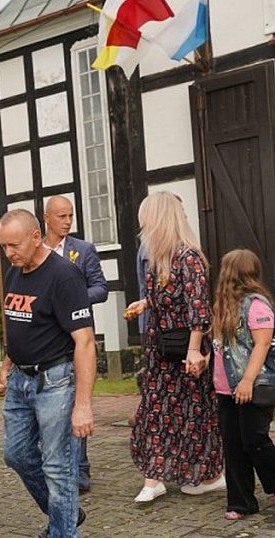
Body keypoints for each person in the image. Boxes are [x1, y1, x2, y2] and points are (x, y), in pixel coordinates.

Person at [0, 209, 95, 538]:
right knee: (15, 455)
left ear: (36, 237)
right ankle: (65, 515)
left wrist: (83, 405)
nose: (9, 253)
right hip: (19, 380)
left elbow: (85, 342)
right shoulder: (14, 271)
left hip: (56, 382)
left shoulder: (64, 275)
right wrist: (6, 366)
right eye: (4, 246)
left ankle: (62, 530)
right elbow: (18, 324)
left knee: (58, 467)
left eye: (14, 245)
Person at [125, 191, 224, 503]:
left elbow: (198, 309)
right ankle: (153, 479)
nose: (143, 228)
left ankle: (210, 476)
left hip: (183, 350)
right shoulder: (160, 258)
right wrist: (144, 303)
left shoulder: (189, 257)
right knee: (155, 410)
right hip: (160, 349)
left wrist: (194, 351)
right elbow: (167, 296)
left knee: (195, 414)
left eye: (146, 221)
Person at [43, 195, 108, 493]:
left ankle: (80, 471)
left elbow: (101, 288)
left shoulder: (83, 250)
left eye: (70, 215)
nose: (68, 221)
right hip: (47, 339)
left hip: (76, 338)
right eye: (62, 216)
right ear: (46, 218)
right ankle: (59, 467)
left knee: (75, 402)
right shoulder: (37, 251)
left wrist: (72, 298)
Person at [211, 249, 275, 520]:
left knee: (255, 440)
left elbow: (262, 344)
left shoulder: (257, 305)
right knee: (234, 446)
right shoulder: (224, 305)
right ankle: (241, 503)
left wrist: (248, 380)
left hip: (253, 386)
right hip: (226, 388)